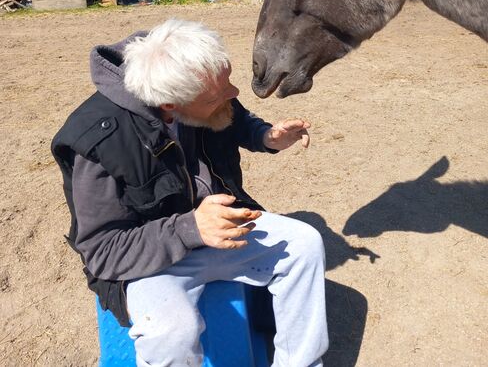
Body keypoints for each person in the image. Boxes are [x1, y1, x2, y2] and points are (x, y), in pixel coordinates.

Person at [52, 19, 328, 367]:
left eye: (228, 79)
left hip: (220, 229)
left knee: (304, 245)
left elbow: (233, 115)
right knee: (172, 331)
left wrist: (266, 136)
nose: (234, 92)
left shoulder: (195, 85)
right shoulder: (98, 142)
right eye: (219, 92)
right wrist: (191, 228)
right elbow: (103, 252)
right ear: (171, 104)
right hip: (152, 260)